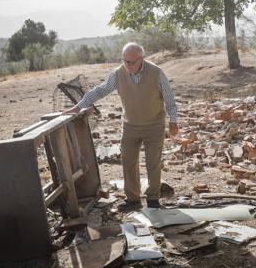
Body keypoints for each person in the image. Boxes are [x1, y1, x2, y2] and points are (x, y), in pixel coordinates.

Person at [64, 42, 178, 211]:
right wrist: (79, 106)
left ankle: (153, 200)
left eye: (131, 62)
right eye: (124, 61)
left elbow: (169, 99)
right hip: (130, 126)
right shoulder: (118, 73)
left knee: (153, 163)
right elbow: (99, 90)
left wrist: (173, 121)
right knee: (128, 162)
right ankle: (133, 200)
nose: (127, 65)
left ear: (141, 59)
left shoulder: (156, 73)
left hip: (154, 126)